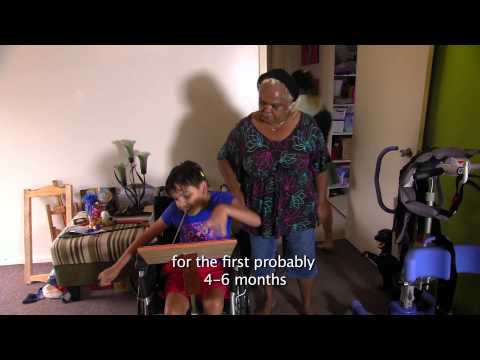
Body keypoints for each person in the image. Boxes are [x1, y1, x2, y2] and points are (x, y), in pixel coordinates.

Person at [217, 68, 332, 314]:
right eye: (262, 102)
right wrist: (236, 190)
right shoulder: (245, 128)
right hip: (259, 207)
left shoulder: (308, 127)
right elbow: (223, 158)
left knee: (303, 259)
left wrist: (322, 201)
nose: (266, 109)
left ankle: (307, 304)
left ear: (291, 103)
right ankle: (270, 300)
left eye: (275, 105)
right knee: (262, 261)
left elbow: (321, 165)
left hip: (299, 206)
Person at [98, 160, 261, 315]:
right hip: (184, 267)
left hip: (215, 268)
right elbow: (143, 239)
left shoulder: (222, 200)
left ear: (203, 187)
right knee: (173, 310)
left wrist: (226, 209)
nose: (181, 204)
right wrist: (116, 267)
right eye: (176, 198)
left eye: (187, 196)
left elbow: (256, 221)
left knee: (213, 304)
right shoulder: (174, 211)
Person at [292, 69, 334, 250]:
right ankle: (329, 239)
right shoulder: (323, 108)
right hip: (323, 161)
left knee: (298, 203)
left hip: (302, 165)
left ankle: (301, 246)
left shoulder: (295, 111)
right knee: (323, 201)